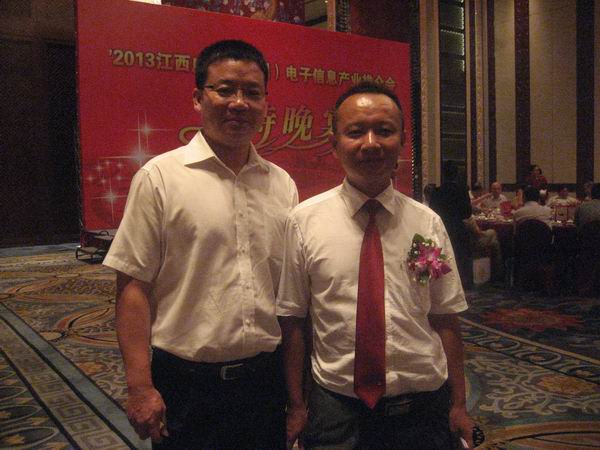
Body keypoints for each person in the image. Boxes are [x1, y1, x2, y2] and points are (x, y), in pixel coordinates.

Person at [103, 39, 298, 449]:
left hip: (264, 384)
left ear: (265, 103)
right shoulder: (160, 178)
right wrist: (140, 386)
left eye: (252, 92)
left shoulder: (282, 185)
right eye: (225, 90)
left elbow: (289, 296)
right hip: (187, 386)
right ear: (198, 98)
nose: (239, 103)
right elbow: (133, 287)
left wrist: (297, 394)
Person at [277, 82, 473, 450]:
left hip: (423, 407)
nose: (371, 143)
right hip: (337, 410)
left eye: (384, 130)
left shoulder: (427, 223)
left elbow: (445, 317)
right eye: (355, 132)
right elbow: (294, 321)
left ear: (402, 142)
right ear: (334, 144)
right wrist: (297, 405)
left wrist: (459, 404)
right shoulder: (303, 222)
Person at [429, 161, 473, 287]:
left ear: (443, 175)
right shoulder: (462, 190)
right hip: (458, 228)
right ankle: (464, 282)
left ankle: (444, 283)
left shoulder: (437, 191)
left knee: (444, 256)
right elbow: (467, 213)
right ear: (456, 174)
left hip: (442, 228)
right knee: (461, 256)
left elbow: (432, 211)